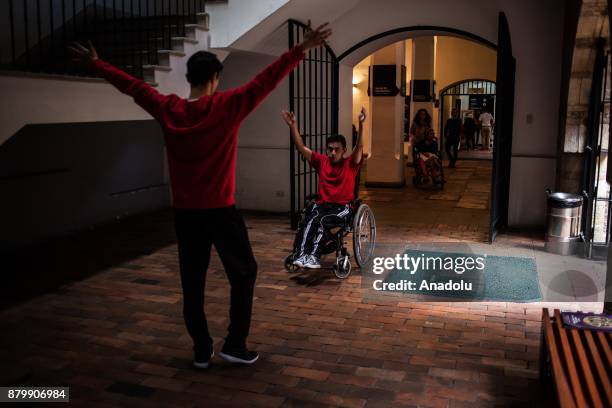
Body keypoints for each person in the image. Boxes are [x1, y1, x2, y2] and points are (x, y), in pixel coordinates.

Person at [69, 22, 332, 369]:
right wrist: (300, 50)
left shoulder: (167, 108)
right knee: (244, 272)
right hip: (221, 211)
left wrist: (98, 64)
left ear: (191, 78)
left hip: (185, 213)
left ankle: (201, 349)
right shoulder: (228, 106)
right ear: (214, 78)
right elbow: (266, 80)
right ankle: (234, 344)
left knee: (192, 281)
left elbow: (133, 87)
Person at [281, 107, 366, 269]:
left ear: (344, 150)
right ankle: (300, 255)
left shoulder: (350, 164)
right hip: (323, 205)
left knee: (322, 221)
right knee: (309, 220)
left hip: (343, 207)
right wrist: (293, 126)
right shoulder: (322, 161)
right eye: (330, 149)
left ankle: (313, 256)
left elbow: (360, 147)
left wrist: (361, 125)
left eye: (337, 149)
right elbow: (301, 148)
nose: (333, 153)